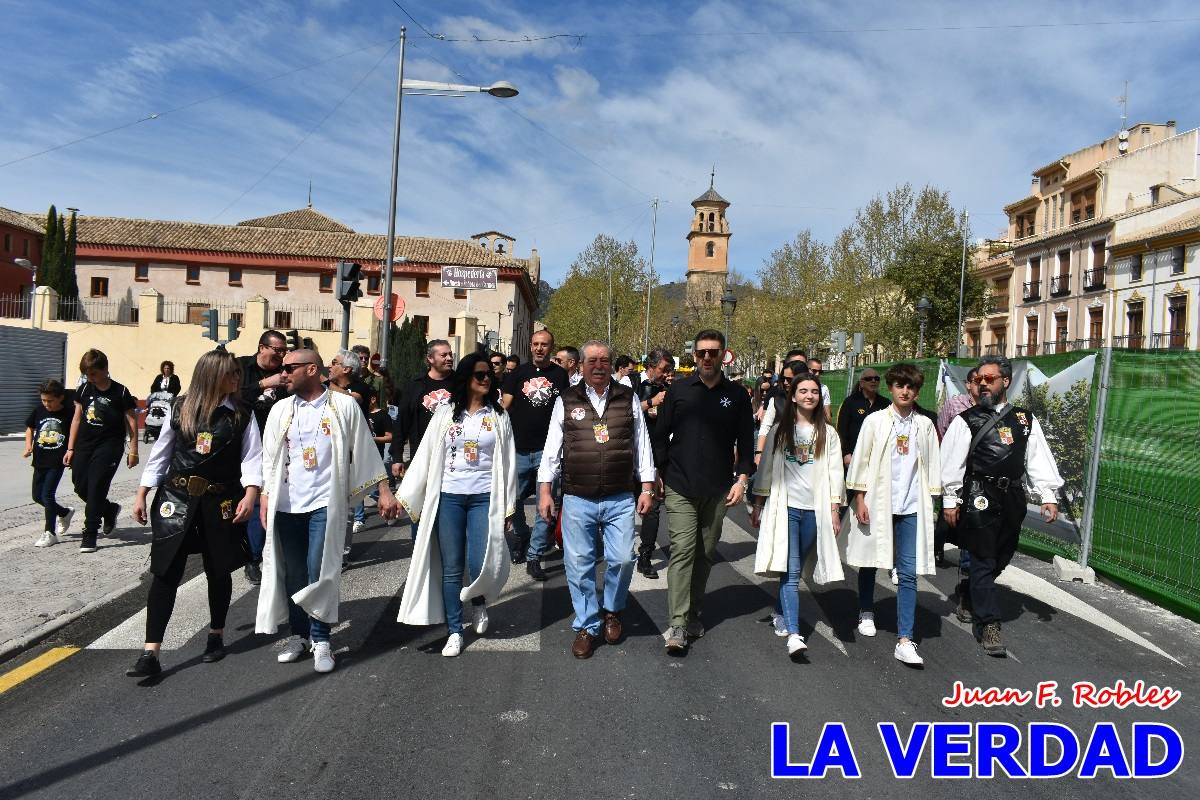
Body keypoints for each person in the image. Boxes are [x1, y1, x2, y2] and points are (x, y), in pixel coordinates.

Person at [256, 349, 400, 674]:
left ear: (311, 369)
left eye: (290, 368)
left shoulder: (344, 406)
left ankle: (321, 639)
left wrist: (384, 491)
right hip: (287, 504)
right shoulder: (281, 410)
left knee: (319, 570)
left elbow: (364, 447)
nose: (284, 373)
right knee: (292, 573)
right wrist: (265, 494)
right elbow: (268, 456)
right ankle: (299, 635)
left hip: (325, 502)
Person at [126, 350, 263, 677]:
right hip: (177, 499)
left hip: (221, 501)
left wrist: (251, 493)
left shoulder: (241, 415)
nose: (236, 379)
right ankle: (150, 653)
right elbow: (161, 454)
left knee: (219, 569)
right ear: (212, 375)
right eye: (230, 374)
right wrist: (142, 493)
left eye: (237, 374)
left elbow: (253, 457)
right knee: (165, 572)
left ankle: (215, 635)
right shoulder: (180, 408)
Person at [538, 341, 655, 659]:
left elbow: (642, 443)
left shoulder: (627, 397)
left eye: (604, 360)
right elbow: (552, 447)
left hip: (619, 496)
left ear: (611, 364)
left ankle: (613, 610)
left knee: (621, 559)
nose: (599, 365)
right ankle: (588, 626)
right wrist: (545, 490)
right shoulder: (567, 399)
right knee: (579, 565)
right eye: (592, 361)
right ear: (582, 365)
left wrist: (646, 486)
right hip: (578, 497)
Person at [941, 356, 1062, 657]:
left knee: (1001, 557)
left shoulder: (1025, 419)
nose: (983, 384)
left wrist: (1048, 495)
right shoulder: (966, 420)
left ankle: (970, 593)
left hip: (1011, 498)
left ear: (1005, 382)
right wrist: (950, 500)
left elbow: (1036, 457)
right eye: (979, 379)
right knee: (982, 558)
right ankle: (989, 624)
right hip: (978, 494)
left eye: (989, 379)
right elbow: (950, 464)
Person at [398, 353, 517, 657]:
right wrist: (409, 494)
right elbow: (426, 453)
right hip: (449, 498)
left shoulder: (499, 416)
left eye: (489, 374)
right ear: (466, 379)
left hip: (484, 498)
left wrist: (508, 507)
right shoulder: (445, 414)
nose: (487, 379)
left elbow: (509, 463)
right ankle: (454, 630)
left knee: (479, 561)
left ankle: (478, 603)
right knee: (452, 568)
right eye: (480, 375)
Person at [653, 330, 755, 654]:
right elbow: (660, 434)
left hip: (719, 488)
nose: (707, 358)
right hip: (680, 485)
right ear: (694, 356)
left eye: (713, 352)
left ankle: (694, 609)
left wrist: (741, 481)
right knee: (682, 549)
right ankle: (679, 623)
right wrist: (657, 473)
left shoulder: (737, 395)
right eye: (701, 353)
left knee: (705, 552)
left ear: (723, 354)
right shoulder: (679, 390)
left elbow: (747, 443)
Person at [844, 364, 941, 666]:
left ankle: (904, 638)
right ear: (891, 387)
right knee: (872, 560)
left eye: (910, 387)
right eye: (899, 385)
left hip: (911, 505)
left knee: (908, 572)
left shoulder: (924, 425)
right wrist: (859, 497)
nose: (905, 391)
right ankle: (866, 610)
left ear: (917, 390)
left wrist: (935, 502)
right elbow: (861, 459)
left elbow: (932, 464)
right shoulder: (875, 421)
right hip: (879, 501)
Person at [750, 373, 844, 656]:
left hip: (814, 510)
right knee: (791, 573)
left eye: (814, 391)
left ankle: (780, 611)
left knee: (798, 566)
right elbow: (765, 469)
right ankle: (794, 634)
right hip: (786, 508)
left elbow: (835, 472)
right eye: (803, 391)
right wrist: (758, 504)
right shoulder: (781, 430)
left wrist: (834, 509)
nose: (809, 396)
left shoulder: (829, 433)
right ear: (792, 396)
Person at [500, 329, 568, 580]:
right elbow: (504, 406)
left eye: (544, 344)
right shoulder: (516, 374)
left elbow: (566, 409)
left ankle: (534, 555)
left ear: (551, 347)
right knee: (513, 499)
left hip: (547, 452)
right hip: (517, 450)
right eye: (536, 344)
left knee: (545, 505)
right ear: (530, 346)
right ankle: (522, 535)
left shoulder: (560, 375)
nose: (539, 348)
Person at [64, 349, 139, 553]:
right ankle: (109, 509)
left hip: (110, 445)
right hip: (84, 444)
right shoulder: (83, 389)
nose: (91, 378)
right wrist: (70, 447)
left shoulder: (120, 392)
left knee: (97, 485)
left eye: (94, 374)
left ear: (105, 369)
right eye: (88, 374)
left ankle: (90, 534)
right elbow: (77, 419)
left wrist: (133, 450)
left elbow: (132, 421)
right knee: (80, 486)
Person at [237, 330, 290, 585]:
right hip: (238, 441)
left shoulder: (286, 372)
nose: (281, 355)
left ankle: (253, 558)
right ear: (261, 348)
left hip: (270, 447)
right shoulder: (239, 367)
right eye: (277, 350)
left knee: (258, 500)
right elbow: (230, 397)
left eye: (283, 351)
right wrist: (264, 384)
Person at [635, 347, 674, 578]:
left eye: (670, 370)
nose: (667, 374)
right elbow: (624, 412)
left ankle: (645, 556)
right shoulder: (630, 383)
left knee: (652, 508)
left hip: (655, 456)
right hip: (626, 455)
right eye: (664, 370)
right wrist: (650, 403)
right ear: (651, 366)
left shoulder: (668, 390)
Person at [390, 340, 454, 481]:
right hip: (421, 454)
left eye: (450, 354)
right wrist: (397, 457)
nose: (449, 358)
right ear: (430, 358)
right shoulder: (415, 386)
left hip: (452, 455)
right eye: (443, 355)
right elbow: (402, 424)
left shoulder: (460, 384)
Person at [25, 379, 76, 547]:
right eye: (43, 400)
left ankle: (50, 533)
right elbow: (30, 428)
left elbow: (75, 434)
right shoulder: (39, 411)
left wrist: (71, 451)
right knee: (37, 496)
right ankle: (64, 512)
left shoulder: (69, 413)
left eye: (50, 401)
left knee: (47, 495)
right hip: (39, 459)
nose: (46, 404)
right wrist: (28, 446)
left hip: (56, 460)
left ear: (60, 398)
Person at [754, 359, 806, 465]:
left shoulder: (810, 400)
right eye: (783, 378)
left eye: (789, 379)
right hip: (778, 453)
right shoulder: (777, 400)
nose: (786, 382)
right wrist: (759, 453)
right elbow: (765, 427)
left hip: (804, 451)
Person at [836, 368, 890, 469]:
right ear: (861, 383)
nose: (873, 381)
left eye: (876, 378)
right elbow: (842, 429)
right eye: (869, 378)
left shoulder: (886, 403)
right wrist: (846, 453)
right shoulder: (850, 402)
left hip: (877, 456)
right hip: (853, 455)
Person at [936, 367, 979, 440]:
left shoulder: (990, 405)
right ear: (968, 385)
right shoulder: (953, 403)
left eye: (986, 381)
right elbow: (940, 432)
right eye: (978, 380)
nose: (982, 384)